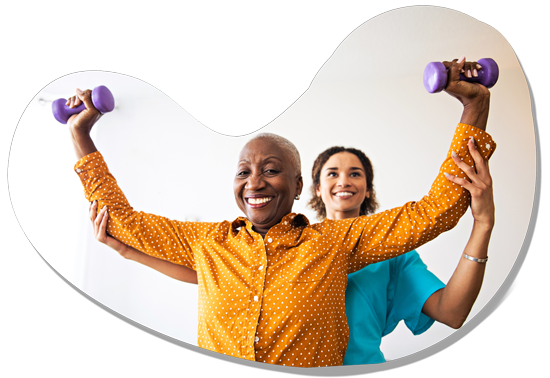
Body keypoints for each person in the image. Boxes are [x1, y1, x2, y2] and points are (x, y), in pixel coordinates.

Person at [66, 57, 496, 367]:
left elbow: (435, 212)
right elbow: (123, 223)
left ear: (295, 187)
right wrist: (80, 134)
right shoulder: (209, 244)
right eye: (244, 172)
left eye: (271, 171)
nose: (254, 182)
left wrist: (474, 109)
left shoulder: (336, 243)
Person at [308, 144, 493, 365]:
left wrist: (483, 224)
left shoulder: (393, 256)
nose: (344, 181)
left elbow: (452, 312)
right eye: (332, 173)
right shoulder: (295, 247)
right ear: (317, 188)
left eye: (355, 173)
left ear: (368, 189)